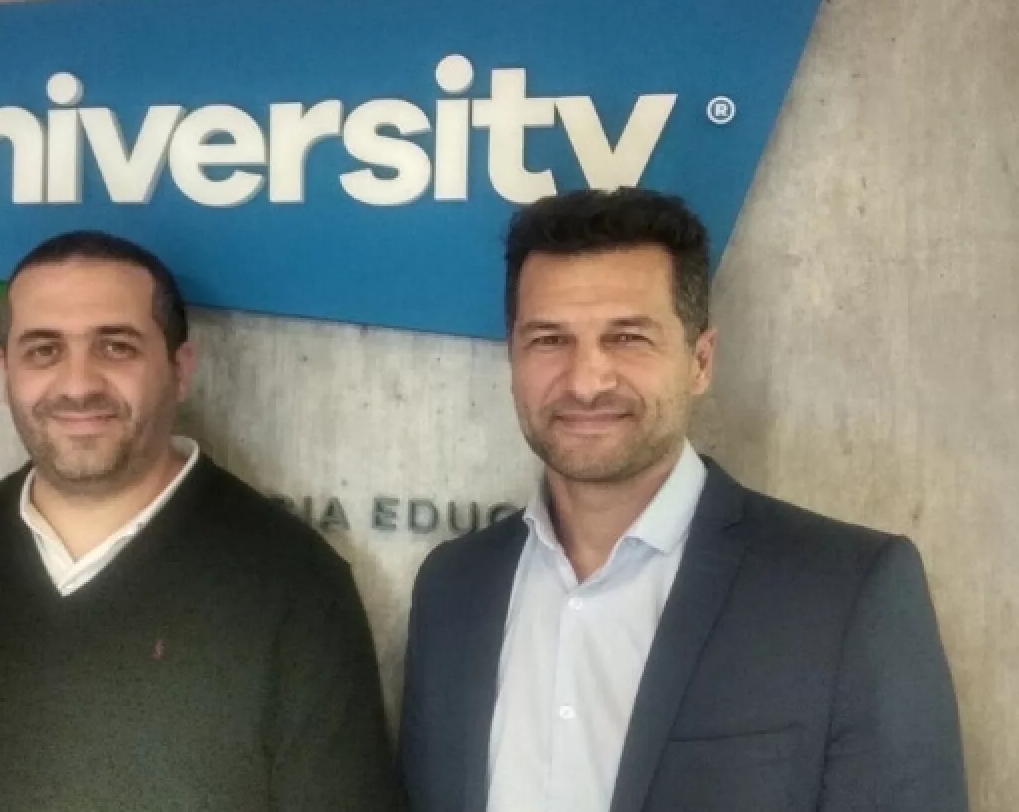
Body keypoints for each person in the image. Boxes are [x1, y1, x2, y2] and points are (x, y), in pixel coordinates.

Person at [0, 231, 402, 812]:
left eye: (115, 346)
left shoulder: (293, 582)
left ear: (180, 369)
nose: (78, 384)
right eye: (44, 350)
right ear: (5, 372)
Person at [399, 188, 968, 812]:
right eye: (550, 340)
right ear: (512, 359)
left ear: (700, 361)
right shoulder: (453, 589)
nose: (586, 381)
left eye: (628, 337)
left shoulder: (847, 592)